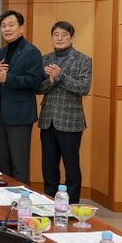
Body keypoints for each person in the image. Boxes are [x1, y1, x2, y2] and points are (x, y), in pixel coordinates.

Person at [37, 21, 92, 203]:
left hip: (70, 122)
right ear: (52, 37)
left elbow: (83, 88)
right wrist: (51, 81)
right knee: (48, 167)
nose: (59, 38)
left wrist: (59, 76)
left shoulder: (83, 60)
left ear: (71, 37)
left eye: (64, 35)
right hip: (48, 121)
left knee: (71, 167)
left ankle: (72, 205)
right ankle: (49, 202)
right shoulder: (45, 59)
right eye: (56, 35)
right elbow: (38, 88)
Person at [0, 10, 44, 184]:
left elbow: (35, 81)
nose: (7, 29)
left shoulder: (31, 51)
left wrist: (7, 78)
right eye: (3, 26)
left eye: (11, 25)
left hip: (20, 115)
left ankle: (21, 199)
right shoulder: (2, 52)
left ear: (21, 28)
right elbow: (0, 81)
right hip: (1, 114)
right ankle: (3, 198)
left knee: (19, 165)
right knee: (3, 163)